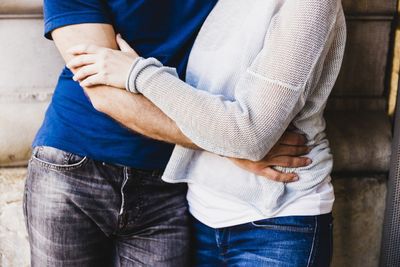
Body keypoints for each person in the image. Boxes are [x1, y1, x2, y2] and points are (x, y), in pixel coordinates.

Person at [24, 0, 311, 266]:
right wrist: (228, 144)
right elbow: (103, 91)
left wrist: (235, 139)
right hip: (74, 166)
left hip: (169, 182)